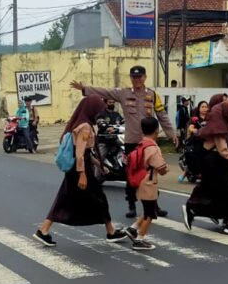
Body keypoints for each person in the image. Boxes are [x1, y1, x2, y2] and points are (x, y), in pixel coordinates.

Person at [70, 65, 179, 220]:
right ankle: (132, 206)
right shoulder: (123, 93)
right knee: (131, 175)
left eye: (140, 76)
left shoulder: (153, 95)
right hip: (131, 142)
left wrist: (171, 133)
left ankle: (154, 205)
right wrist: (85, 89)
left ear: (145, 77)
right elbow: (104, 92)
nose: (137, 80)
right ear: (131, 78)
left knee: (151, 175)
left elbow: (162, 115)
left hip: (148, 143)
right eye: (134, 77)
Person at [34, 96, 129, 248]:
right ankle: (111, 232)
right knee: (99, 198)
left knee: (64, 198)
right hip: (80, 170)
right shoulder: (84, 127)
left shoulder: (80, 123)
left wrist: (100, 164)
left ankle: (43, 230)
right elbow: (80, 154)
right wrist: (83, 174)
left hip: (78, 168)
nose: (99, 115)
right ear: (90, 110)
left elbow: (86, 153)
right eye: (97, 111)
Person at [184, 99, 228, 234]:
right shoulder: (217, 126)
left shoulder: (224, 124)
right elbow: (223, 149)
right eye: (226, 105)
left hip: (221, 160)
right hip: (214, 162)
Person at [127, 117, 168, 251]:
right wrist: (165, 169)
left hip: (140, 180)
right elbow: (161, 167)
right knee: (150, 213)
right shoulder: (152, 147)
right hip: (149, 183)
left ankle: (132, 229)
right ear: (157, 130)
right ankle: (139, 240)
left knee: (147, 209)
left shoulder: (141, 144)